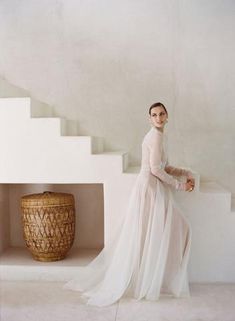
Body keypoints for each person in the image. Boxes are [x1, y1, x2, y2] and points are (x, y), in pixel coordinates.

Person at [63, 102, 195, 307]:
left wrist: (185, 173)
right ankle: (151, 282)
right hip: (150, 188)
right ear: (149, 118)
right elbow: (155, 169)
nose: (158, 118)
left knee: (155, 233)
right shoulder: (156, 136)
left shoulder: (160, 136)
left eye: (161, 114)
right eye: (154, 115)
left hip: (153, 187)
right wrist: (180, 185)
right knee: (151, 234)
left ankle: (156, 280)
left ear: (167, 116)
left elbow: (164, 166)